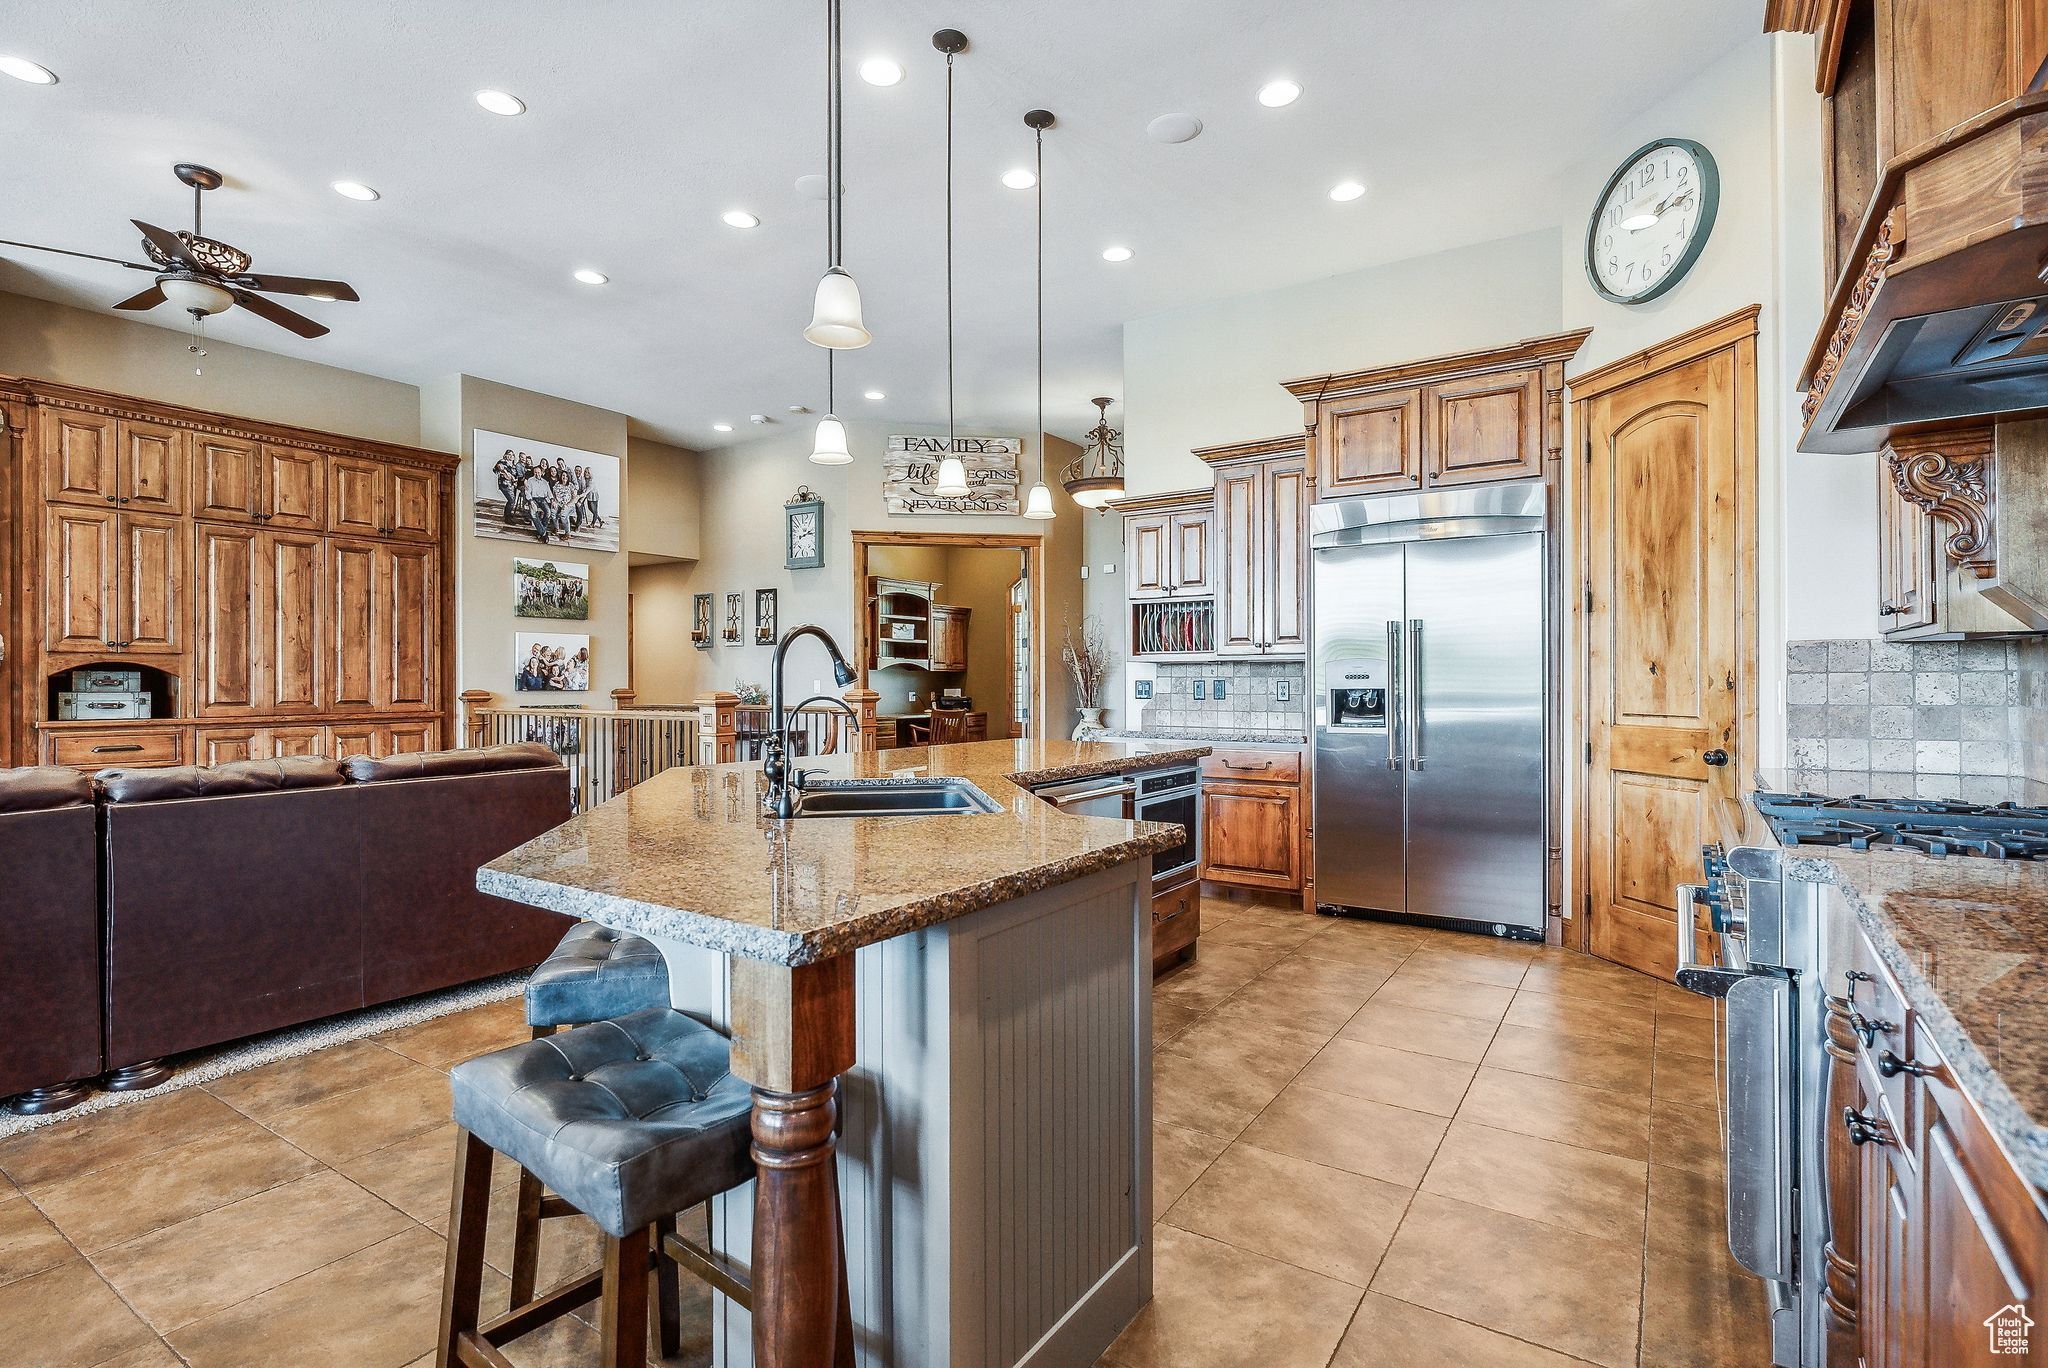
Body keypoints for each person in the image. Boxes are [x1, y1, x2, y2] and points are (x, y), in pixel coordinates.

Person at [523, 464, 554, 543]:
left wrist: (552, 500)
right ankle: (544, 533)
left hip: (543, 500)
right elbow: (527, 492)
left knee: (548, 512)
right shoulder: (530, 480)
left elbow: (549, 492)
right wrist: (531, 501)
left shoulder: (544, 482)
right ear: (534, 473)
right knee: (533, 514)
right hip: (533, 500)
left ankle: (541, 531)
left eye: (538, 472)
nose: (537, 474)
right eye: (535, 472)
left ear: (541, 472)